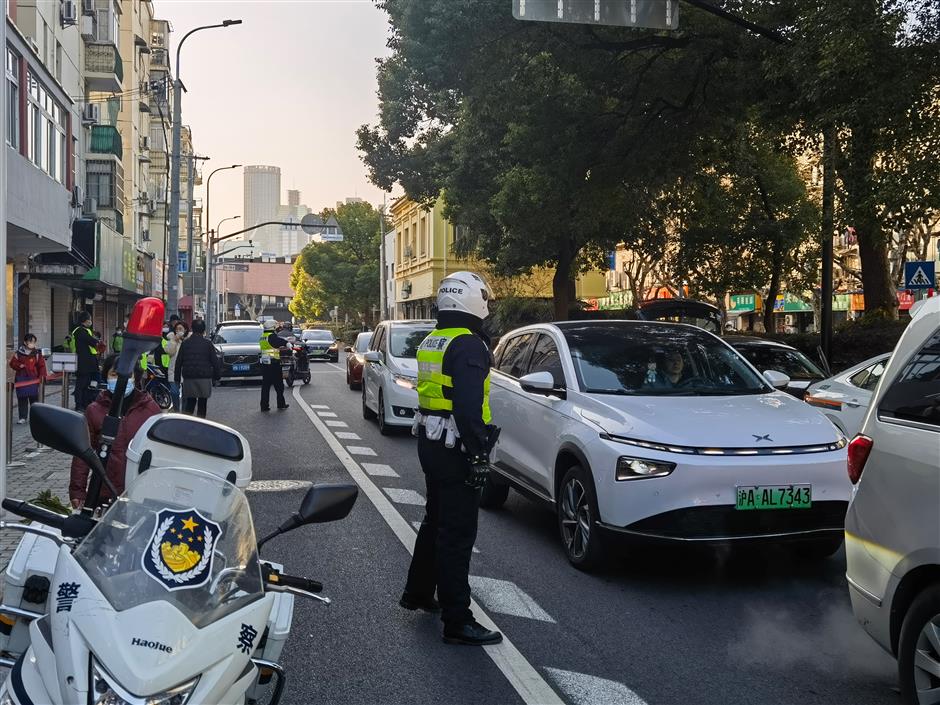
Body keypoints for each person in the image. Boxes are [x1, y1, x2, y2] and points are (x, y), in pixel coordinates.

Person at [403, 271, 502, 646]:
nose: (488, 306)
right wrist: (479, 453)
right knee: (457, 534)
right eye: (485, 299)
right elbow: (467, 407)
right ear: (471, 300)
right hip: (456, 445)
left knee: (435, 521)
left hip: (430, 442)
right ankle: (457, 619)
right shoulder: (469, 344)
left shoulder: (434, 339)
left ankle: (418, 592)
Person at [68, 354, 161, 509]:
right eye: (114, 374)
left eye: (126, 375)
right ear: (106, 376)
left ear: (135, 377)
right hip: (104, 494)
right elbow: (83, 454)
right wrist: (78, 491)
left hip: (141, 495)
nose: (120, 380)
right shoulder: (94, 411)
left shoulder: (151, 410)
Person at [175, 319, 220, 418]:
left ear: (192, 329)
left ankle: (189, 423)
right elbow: (215, 362)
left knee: (190, 403)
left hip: (189, 378)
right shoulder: (208, 344)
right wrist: (217, 377)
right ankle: (201, 423)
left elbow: (178, 363)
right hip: (204, 378)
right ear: (204, 330)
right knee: (202, 403)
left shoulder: (185, 343)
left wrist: (177, 379)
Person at [9, 334, 46, 424]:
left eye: (34, 342)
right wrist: (19, 366)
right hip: (21, 379)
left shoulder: (37, 353)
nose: (32, 344)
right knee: (22, 398)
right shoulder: (19, 353)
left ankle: (35, 417)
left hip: (33, 379)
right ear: (25, 342)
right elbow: (12, 363)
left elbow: (42, 366)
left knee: (34, 399)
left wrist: (42, 377)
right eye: (30, 342)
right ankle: (23, 417)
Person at [71, 312, 101, 411]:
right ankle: (79, 405)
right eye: (90, 319)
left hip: (86, 363)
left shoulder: (83, 330)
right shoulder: (80, 331)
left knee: (86, 384)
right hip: (83, 363)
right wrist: (97, 342)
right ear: (85, 320)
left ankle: (84, 404)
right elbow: (92, 341)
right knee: (81, 384)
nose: (91, 321)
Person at [259, 320, 289, 412]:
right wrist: (286, 343)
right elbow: (279, 341)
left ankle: (264, 406)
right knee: (279, 385)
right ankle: (281, 404)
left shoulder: (263, 336)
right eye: (275, 326)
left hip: (265, 364)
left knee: (265, 386)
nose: (277, 328)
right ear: (272, 327)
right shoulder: (271, 336)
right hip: (273, 364)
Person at [166, 319, 188, 411]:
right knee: (174, 392)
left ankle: (185, 412)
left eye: (180, 329)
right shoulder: (171, 339)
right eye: (177, 329)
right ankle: (176, 410)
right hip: (173, 371)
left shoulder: (189, 340)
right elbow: (169, 352)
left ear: (185, 330)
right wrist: (174, 341)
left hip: (186, 371)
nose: (178, 331)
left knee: (186, 394)